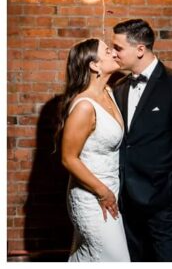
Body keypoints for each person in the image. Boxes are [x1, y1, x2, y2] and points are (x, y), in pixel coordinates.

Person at [111, 18, 172, 261]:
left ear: (140, 49)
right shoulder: (120, 87)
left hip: (163, 203)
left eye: (119, 48)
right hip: (126, 203)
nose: (114, 53)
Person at [58, 38, 130, 261]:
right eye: (108, 51)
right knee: (118, 261)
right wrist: (102, 191)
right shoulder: (85, 106)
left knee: (88, 257)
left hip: (110, 190)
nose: (114, 54)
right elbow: (68, 159)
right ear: (94, 65)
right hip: (92, 196)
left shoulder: (108, 91)